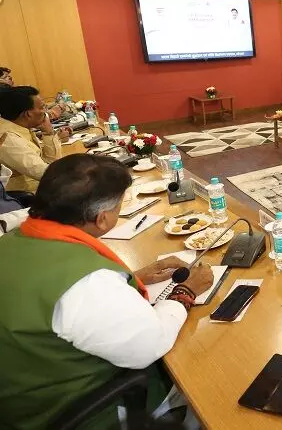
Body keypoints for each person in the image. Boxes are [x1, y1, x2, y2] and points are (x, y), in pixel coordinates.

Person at [0, 153, 215, 429]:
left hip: (23, 397)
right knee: (206, 374)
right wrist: (186, 290)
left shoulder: (13, 241)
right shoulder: (89, 284)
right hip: (77, 411)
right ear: (102, 219)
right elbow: (152, 344)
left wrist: (134, 278)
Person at [0, 86, 69, 193]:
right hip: (26, 198)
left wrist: (48, 133)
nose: (46, 112)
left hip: (42, 190)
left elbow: (51, 163)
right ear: (28, 114)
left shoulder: (21, 127)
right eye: (42, 108)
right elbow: (45, 174)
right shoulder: (8, 139)